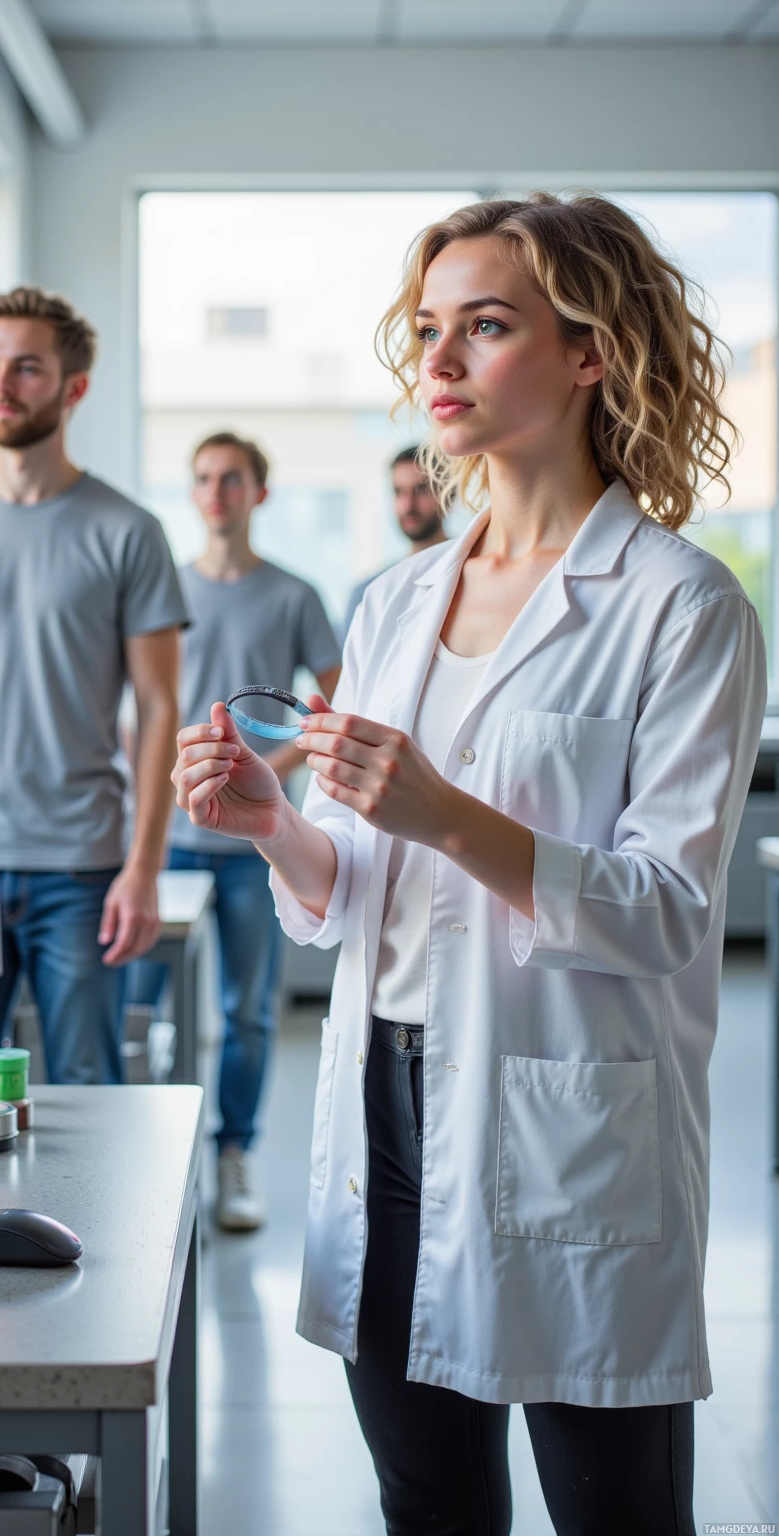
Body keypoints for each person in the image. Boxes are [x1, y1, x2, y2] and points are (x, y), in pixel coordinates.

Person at [171, 194, 766, 1532]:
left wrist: (447, 815)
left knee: (619, 1514)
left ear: (590, 353)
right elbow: (366, 894)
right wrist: (276, 821)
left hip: (562, 1117)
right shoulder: (397, 601)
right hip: (384, 1104)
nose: (435, 362)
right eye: (429, 328)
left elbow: (670, 913)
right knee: (428, 1501)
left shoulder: (682, 605)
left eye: (485, 327)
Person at [0, 286, 189, 1087]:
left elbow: (159, 708)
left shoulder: (127, 530)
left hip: (82, 867)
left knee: (89, 1095)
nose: (2, 385)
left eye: (25, 367)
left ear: (72, 387)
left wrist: (144, 867)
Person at [130, 432, 341, 1231]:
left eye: (232, 479)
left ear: (260, 493)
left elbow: (337, 703)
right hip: (174, 838)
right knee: (145, 1011)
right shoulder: (164, 592)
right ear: (192, 493)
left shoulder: (294, 595)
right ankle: (152, 1155)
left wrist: (277, 772)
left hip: (259, 844)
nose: (216, 492)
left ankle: (234, 1154)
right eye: (203, 479)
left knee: (249, 1010)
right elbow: (140, 714)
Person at [341, 445, 447, 637]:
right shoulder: (369, 593)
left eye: (421, 490)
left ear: (448, 493)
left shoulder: (475, 576)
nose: (408, 505)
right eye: (399, 492)